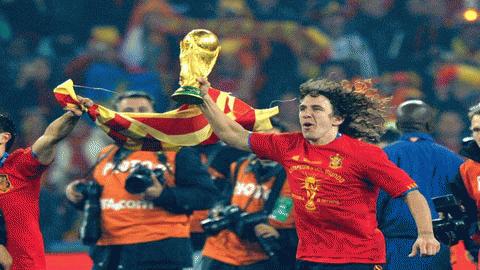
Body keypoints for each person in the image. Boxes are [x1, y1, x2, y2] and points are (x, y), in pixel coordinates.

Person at [196, 77, 440, 270]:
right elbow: (233, 135)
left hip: (357, 258)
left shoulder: (364, 154)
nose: (306, 114)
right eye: (302, 108)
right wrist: (203, 99)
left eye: (316, 108)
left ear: (337, 118)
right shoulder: (288, 146)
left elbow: (411, 192)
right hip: (310, 257)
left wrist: (426, 233)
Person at [65, 91, 218, 270]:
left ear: (155, 115)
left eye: (143, 109)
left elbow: (207, 195)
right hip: (109, 254)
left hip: (160, 253)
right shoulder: (105, 154)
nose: (137, 114)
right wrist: (77, 197)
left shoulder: (176, 150)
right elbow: (103, 199)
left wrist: (163, 195)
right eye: (129, 110)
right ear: (116, 117)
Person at [0, 98, 89, 270]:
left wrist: (71, 115)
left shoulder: (19, 165)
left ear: (4, 137)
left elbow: (50, 138)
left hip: (24, 265)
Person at [376, 100, 464, 270]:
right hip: (442, 251)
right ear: (431, 125)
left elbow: (371, 206)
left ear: (399, 125)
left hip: (394, 251)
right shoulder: (454, 161)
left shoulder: (381, 157)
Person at [200, 120, 297, 270]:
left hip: (256, 257)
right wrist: (219, 210)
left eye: (273, 140)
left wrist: (270, 228)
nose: (266, 146)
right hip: (219, 251)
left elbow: (281, 216)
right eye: (261, 140)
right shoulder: (239, 165)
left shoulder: (290, 176)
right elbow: (223, 198)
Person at [457, 103, 480, 267]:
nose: (479, 135)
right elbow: (469, 212)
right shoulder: (467, 169)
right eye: (476, 130)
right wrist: (472, 246)